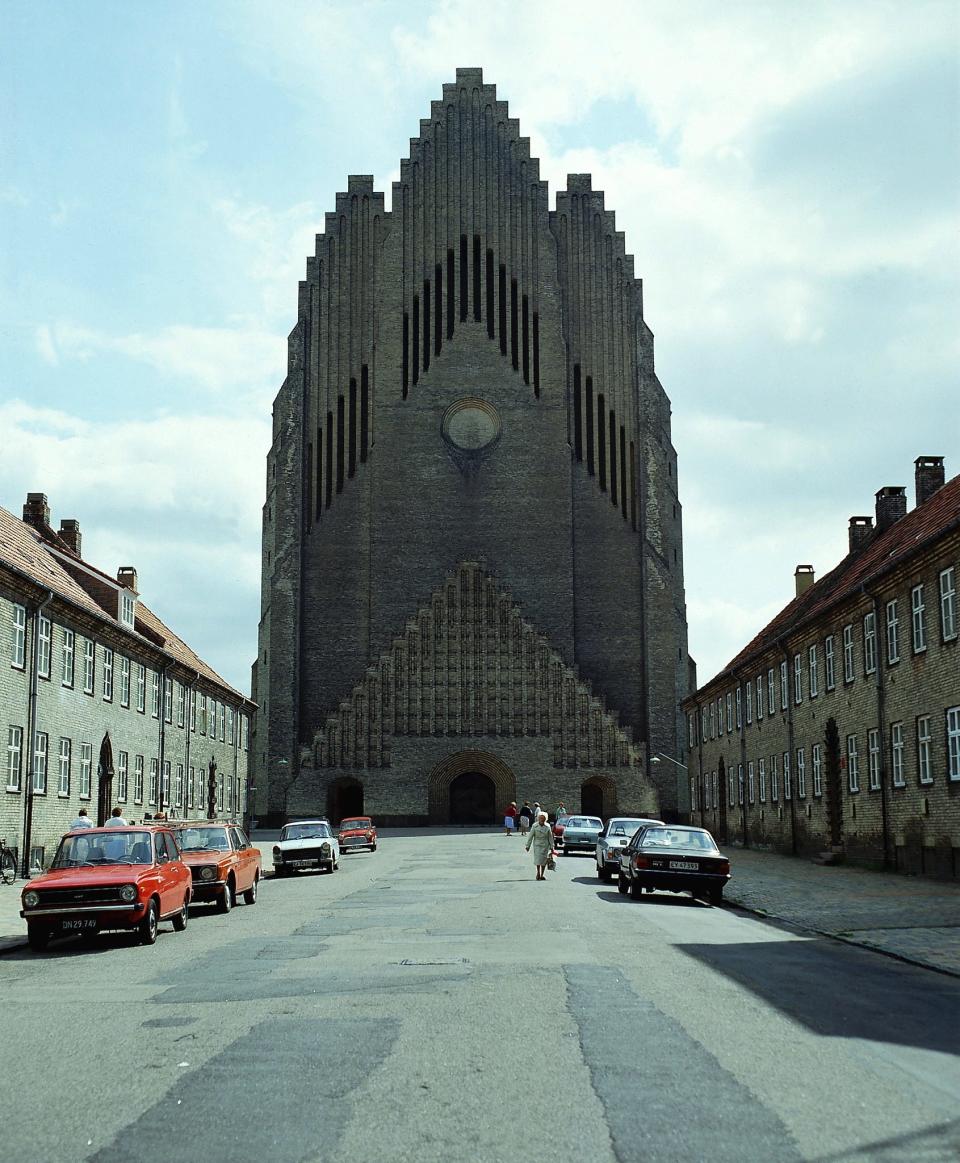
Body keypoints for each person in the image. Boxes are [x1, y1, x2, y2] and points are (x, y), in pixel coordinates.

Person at [525, 811, 554, 881]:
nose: (541, 819)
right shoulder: (535, 826)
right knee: (538, 859)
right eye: (540, 818)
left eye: (543, 818)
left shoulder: (548, 826)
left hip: (545, 845)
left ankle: (542, 875)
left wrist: (552, 846)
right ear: (538, 818)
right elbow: (530, 836)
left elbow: (550, 837)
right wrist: (527, 846)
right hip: (537, 844)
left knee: (544, 860)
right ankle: (538, 872)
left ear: (545, 819)